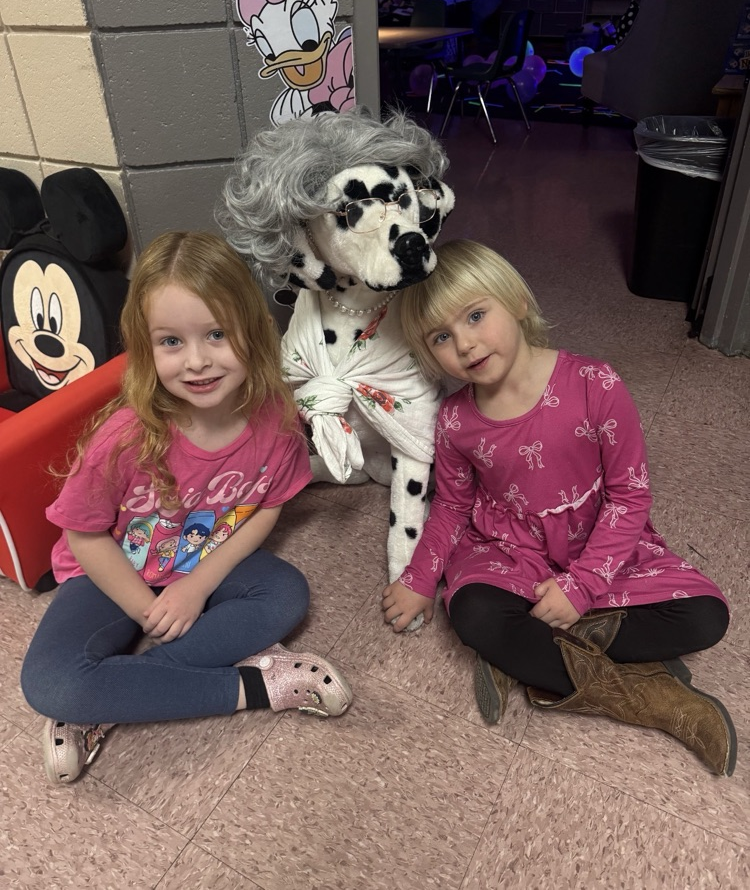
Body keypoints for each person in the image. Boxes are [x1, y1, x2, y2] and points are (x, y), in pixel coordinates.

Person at [382, 239, 735, 777]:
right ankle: (647, 697)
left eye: (476, 315)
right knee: (473, 610)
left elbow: (630, 494)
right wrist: (419, 577)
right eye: (442, 337)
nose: (466, 343)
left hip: (600, 547)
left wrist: (583, 586)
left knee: (706, 617)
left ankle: (530, 658)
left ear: (518, 303)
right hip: (509, 551)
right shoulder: (456, 420)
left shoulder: (596, 383)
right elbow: (452, 506)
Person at [21, 231, 352, 785]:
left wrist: (197, 586)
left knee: (287, 593)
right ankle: (256, 686)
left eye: (217, 335)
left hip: (203, 559)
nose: (197, 362)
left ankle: (110, 698)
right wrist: (143, 608)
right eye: (171, 341)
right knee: (52, 685)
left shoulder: (277, 422)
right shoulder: (126, 437)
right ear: (145, 348)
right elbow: (85, 536)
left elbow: (266, 509)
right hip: (112, 572)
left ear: (253, 330)